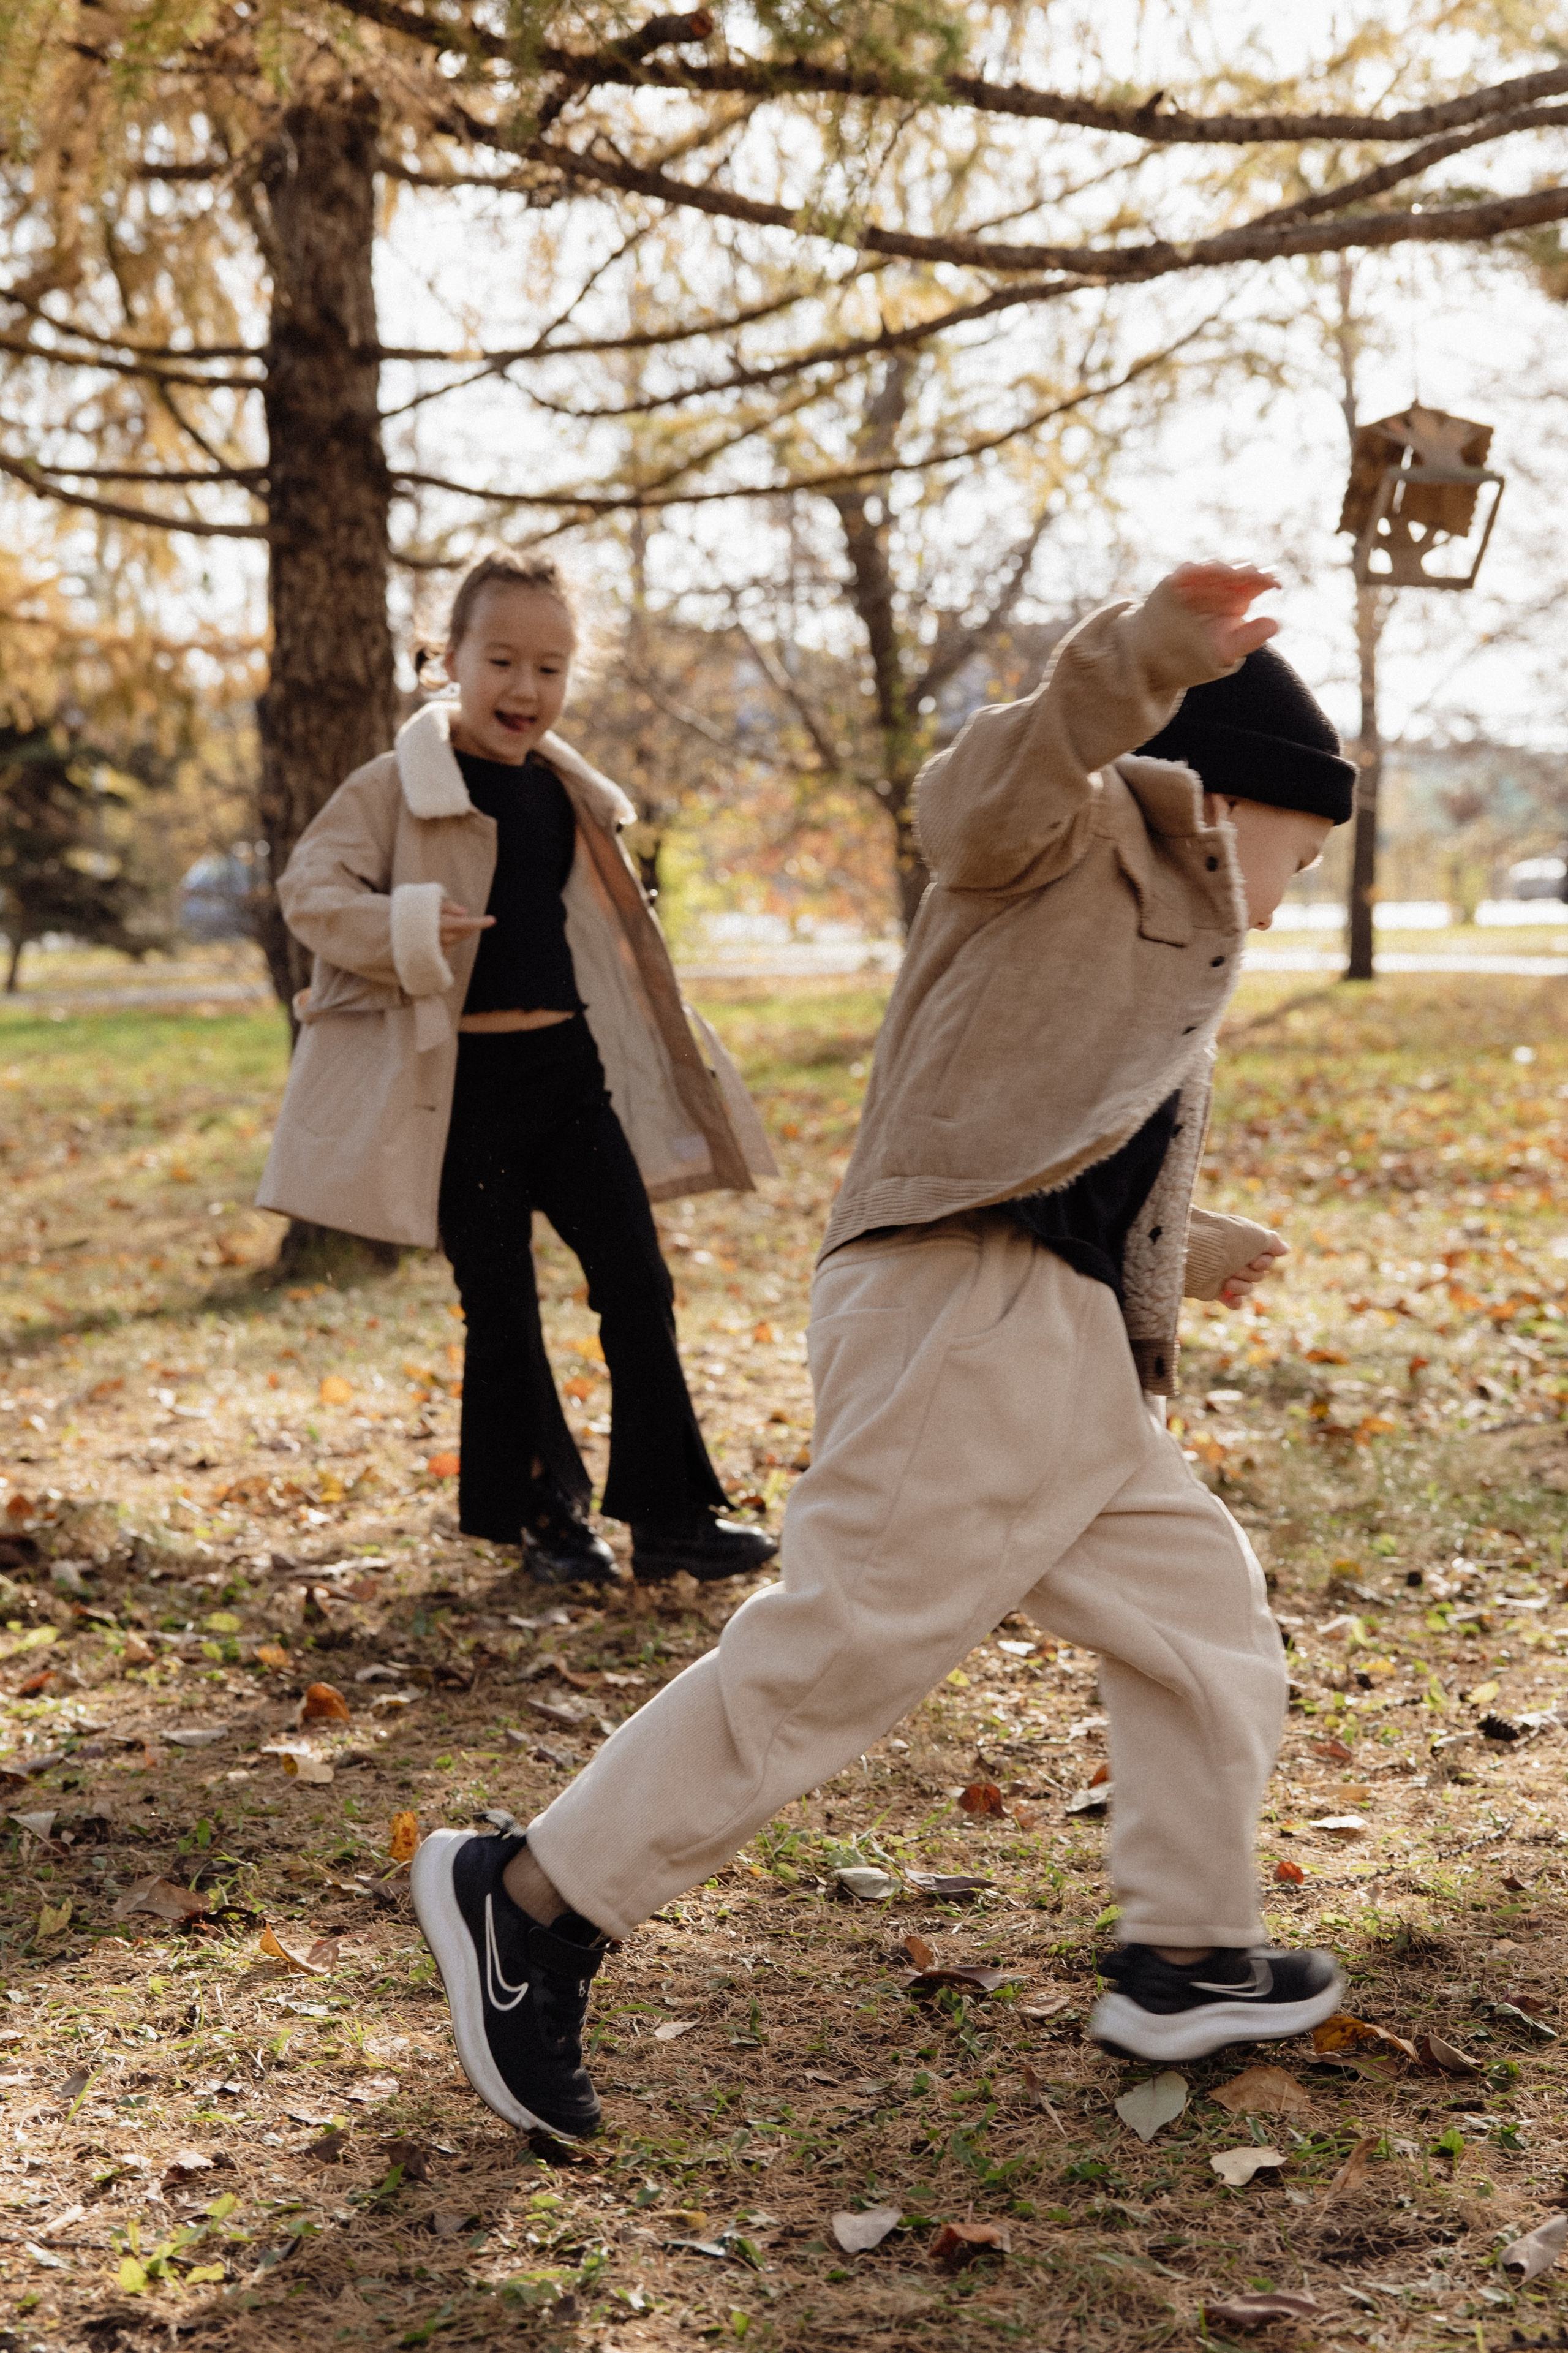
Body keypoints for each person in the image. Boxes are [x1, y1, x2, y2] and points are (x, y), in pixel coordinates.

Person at [410, 560, 1361, 2136]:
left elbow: (1052, 1127)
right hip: (960, 1310)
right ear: (1228, 793)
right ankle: (534, 1896)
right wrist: (1133, 657)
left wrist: (1185, 1248)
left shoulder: (1187, 945)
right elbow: (975, 795)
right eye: (1301, 846)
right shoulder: (1066, 822)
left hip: (1053, 1340)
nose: (1296, 886)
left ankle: (1186, 1955)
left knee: (1205, 1629)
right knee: (842, 1644)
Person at [257, 550, 779, 1587]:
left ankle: (669, 1517)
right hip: (463, 1097)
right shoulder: (395, 787)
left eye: (551, 667)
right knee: (502, 1309)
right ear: (448, 658)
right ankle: (549, 1519)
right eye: (502, 661)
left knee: (637, 1279)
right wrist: (406, 923)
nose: (526, 689)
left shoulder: (568, 792)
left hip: (568, 1078)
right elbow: (309, 891)